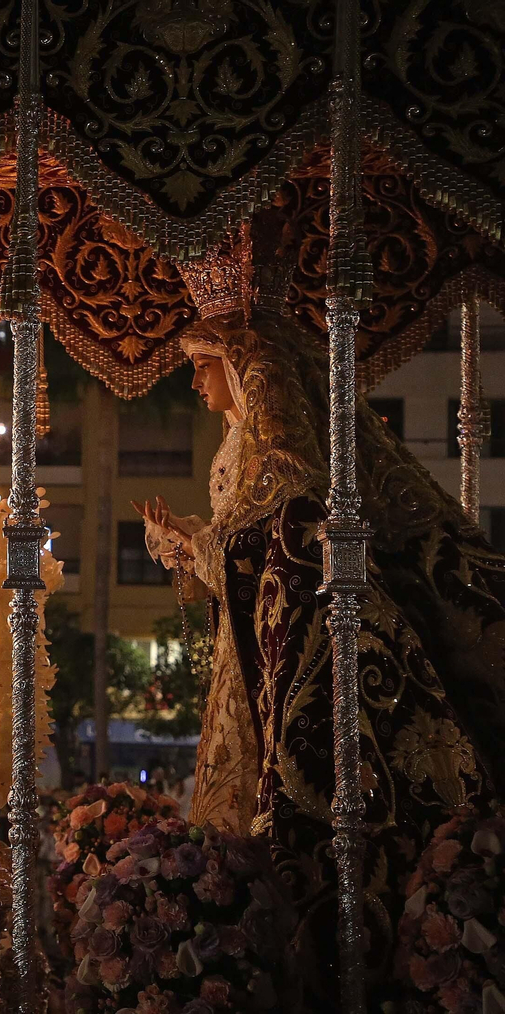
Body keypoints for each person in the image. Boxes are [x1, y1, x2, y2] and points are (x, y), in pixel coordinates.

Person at [133, 235, 505, 1003]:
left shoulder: (280, 447)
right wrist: (189, 550)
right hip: (261, 657)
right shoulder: (237, 445)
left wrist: (194, 547)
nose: (194, 378)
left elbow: (281, 534)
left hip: (316, 648)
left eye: (202, 361)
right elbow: (242, 542)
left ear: (240, 363)